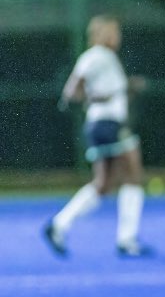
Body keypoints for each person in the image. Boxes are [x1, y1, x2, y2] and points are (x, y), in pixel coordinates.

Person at [43, 15, 152, 258]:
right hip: (108, 125)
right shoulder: (97, 56)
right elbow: (71, 92)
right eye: (111, 32)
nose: (116, 37)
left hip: (100, 125)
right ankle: (127, 239)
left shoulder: (104, 58)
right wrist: (98, 97)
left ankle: (59, 224)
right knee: (133, 176)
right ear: (98, 34)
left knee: (102, 184)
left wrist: (124, 89)